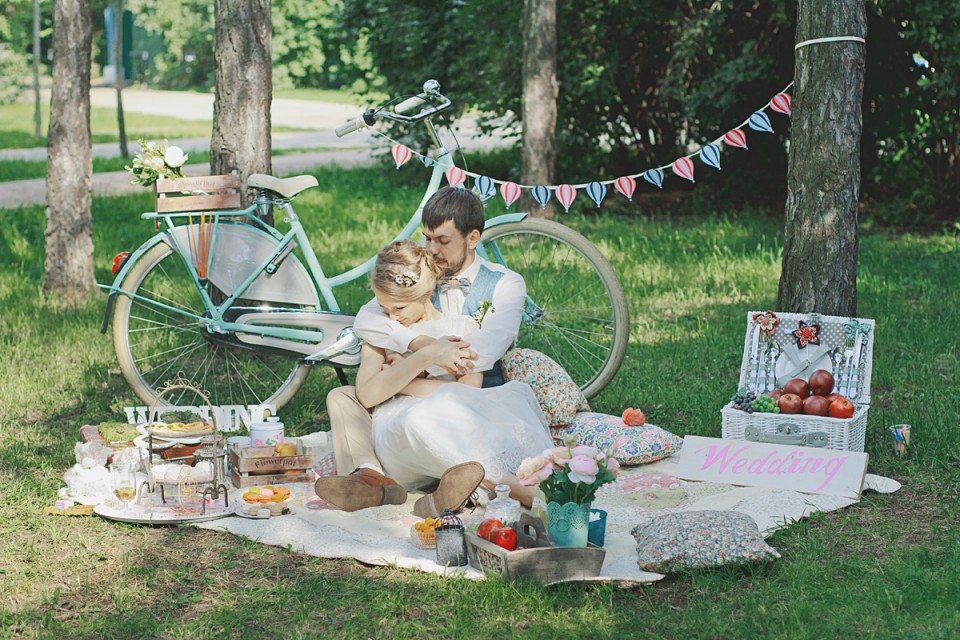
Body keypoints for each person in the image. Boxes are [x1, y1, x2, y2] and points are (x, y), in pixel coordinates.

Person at [315, 188, 538, 512]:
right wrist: (421, 346)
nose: (431, 249)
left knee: (430, 417)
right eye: (427, 238)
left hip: (469, 400)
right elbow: (368, 318)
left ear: (472, 237)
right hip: (402, 400)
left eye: (443, 241)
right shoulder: (411, 280)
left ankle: (466, 484)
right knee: (342, 397)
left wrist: (394, 380)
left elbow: (473, 359)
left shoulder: (505, 285)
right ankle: (371, 479)